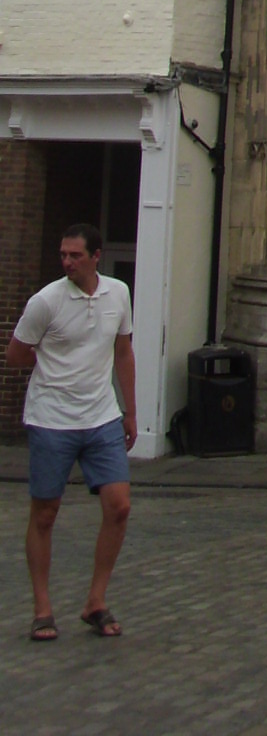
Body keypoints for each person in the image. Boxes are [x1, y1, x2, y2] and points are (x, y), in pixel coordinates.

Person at [5, 222, 136, 641]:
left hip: (102, 416)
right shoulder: (46, 301)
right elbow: (15, 354)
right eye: (63, 255)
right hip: (52, 418)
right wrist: (52, 367)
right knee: (45, 512)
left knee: (119, 506)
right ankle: (42, 609)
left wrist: (130, 412)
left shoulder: (118, 293)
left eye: (75, 255)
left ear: (96, 256)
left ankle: (95, 601)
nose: (67, 262)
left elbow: (123, 351)